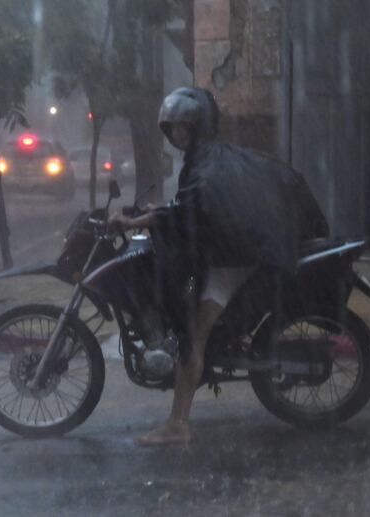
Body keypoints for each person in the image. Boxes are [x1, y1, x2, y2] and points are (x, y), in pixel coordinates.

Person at [110, 87, 328, 446]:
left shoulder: (208, 164)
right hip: (233, 251)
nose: (177, 136)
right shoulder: (207, 158)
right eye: (173, 130)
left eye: (183, 128)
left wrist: (138, 223)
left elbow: (191, 207)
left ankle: (178, 424)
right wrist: (153, 213)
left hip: (235, 258)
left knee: (192, 334)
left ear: (198, 127)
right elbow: (190, 204)